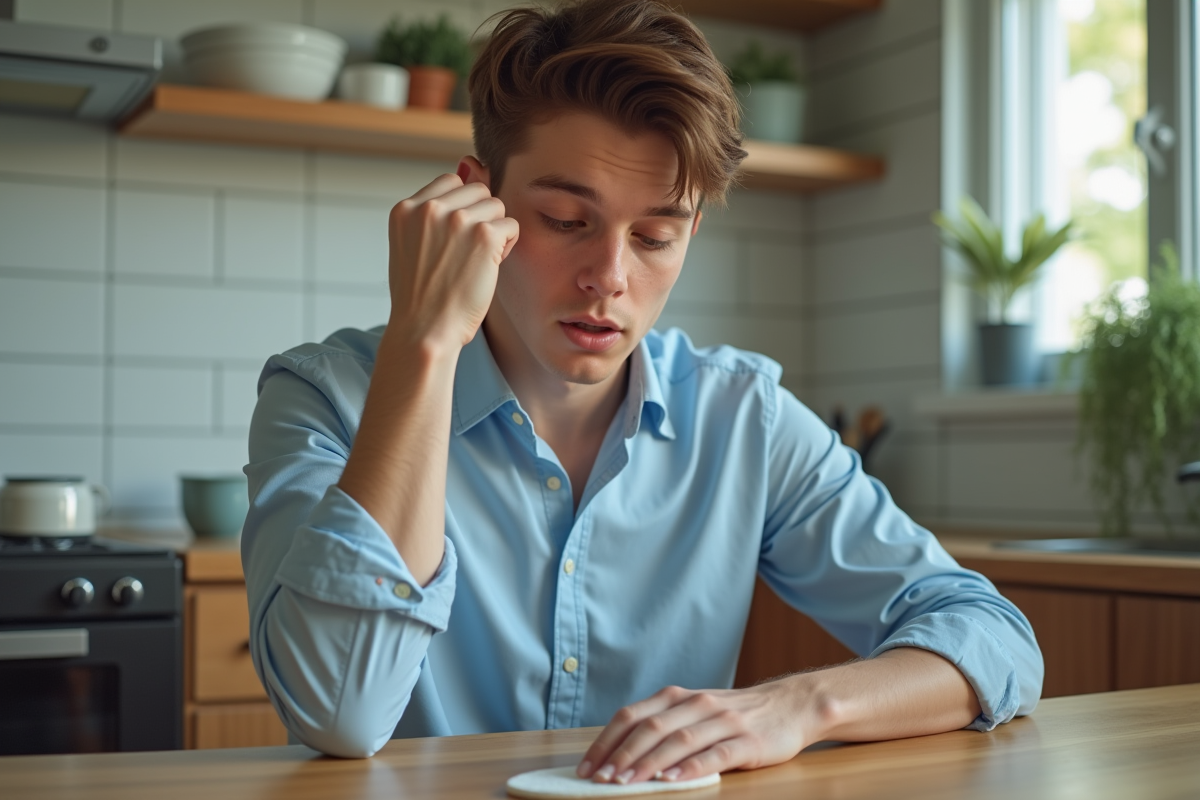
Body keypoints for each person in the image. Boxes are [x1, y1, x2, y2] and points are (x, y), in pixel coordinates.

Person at [242, 0, 1043, 784]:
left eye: (655, 236)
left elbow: (993, 638)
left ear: (690, 233)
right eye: (564, 219)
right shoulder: (326, 398)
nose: (610, 278)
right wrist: (423, 343)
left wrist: (795, 709)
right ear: (476, 203)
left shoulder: (743, 418)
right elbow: (337, 714)